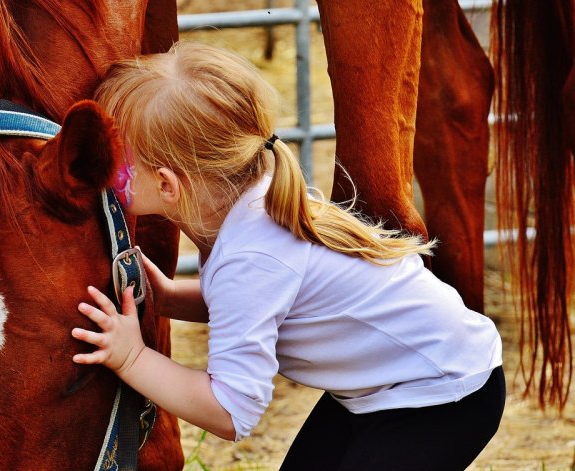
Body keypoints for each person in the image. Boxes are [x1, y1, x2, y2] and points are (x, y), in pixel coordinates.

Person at [71, 41, 504, 470]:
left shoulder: (252, 255)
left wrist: (132, 358)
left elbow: (229, 411)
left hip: (444, 395)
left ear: (167, 184)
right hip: (393, 385)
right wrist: (169, 297)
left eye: (111, 156)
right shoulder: (249, 205)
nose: (101, 168)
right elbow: (261, 304)